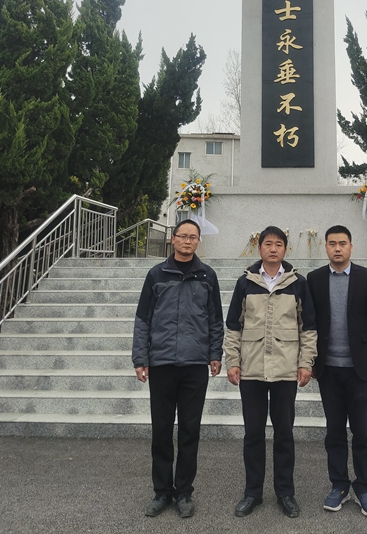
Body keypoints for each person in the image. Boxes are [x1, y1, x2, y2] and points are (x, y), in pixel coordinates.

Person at [132, 219, 224, 519]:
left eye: (193, 237)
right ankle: (162, 492)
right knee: (161, 430)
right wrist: (140, 358)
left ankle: (184, 492)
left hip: (195, 365)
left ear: (198, 241)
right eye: (182, 236)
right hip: (161, 364)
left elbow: (215, 320)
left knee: (189, 430)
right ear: (173, 239)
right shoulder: (156, 274)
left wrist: (215, 354)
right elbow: (143, 319)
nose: (187, 241)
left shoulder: (207, 276)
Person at [224, 225, 317, 518]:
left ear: (285, 249)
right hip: (251, 370)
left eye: (278, 244)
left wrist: (305, 363)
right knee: (253, 433)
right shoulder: (245, 282)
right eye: (268, 243)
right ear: (259, 248)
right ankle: (252, 492)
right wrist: (232, 361)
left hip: (285, 371)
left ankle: (285, 493)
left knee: (284, 434)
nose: (273, 248)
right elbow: (233, 325)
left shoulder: (298, 283)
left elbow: (308, 328)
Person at [306, 225, 367, 517]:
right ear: (325, 247)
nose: (337, 248)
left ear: (351, 246)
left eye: (342, 243)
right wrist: (311, 361)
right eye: (332, 243)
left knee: (362, 432)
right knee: (335, 432)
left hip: (359, 369)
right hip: (328, 370)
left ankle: (364, 487)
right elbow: (310, 323)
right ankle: (338, 485)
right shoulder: (314, 279)